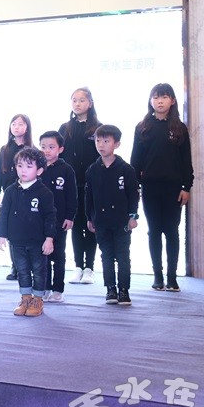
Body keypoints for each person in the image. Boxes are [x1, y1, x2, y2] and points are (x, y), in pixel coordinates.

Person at [130, 83, 193, 292]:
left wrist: (187, 187)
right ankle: (157, 276)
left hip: (174, 188)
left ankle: (172, 278)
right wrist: (135, 187)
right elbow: (135, 161)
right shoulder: (142, 127)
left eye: (164, 97)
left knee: (172, 231)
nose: (159, 101)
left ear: (172, 101)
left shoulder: (179, 128)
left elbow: (186, 161)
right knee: (154, 231)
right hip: (150, 187)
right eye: (156, 97)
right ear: (150, 101)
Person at [0, 147, 56, 317]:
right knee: (21, 270)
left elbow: (50, 217)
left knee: (38, 271)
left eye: (29, 166)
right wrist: (2, 234)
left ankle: (37, 300)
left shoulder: (44, 193)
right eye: (20, 165)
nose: (23, 170)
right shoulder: (10, 191)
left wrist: (49, 238)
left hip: (38, 241)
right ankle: (25, 298)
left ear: (39, 171)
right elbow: (4, 214)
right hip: (16, 241)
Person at [85, 125, 140, 306]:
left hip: (122, 221)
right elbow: (88, 196)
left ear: (116, 144)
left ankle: (124, 290)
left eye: (106, 141)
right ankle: (111, 289)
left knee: (123, 256)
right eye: (98, 141)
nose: (101, 145)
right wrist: (89, 217)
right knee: (106, 255)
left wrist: (133, 216)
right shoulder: (92, 170)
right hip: (101, 221)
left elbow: (133, 195)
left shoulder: (126, 169)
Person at [59, 88, 101, 285]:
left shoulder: (98, 128)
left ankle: (89, 268)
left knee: (91, 225)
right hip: (71, 186)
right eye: (74, 100)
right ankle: (77, 266)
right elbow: (59, 156)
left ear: (90, 103)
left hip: (93, 185)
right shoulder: (65, 128)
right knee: (75, 225)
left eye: (82, 100)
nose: (77, 104)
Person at [38, 131, 77, 303]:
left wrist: (70, 216)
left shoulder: (66, 170)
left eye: (51, 147)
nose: (46, 150)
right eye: (43, 147)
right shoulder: (37, 168)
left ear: (60, 149)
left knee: (59, 255)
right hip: (40, 221)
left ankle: (58, 289)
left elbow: (72, 196)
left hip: (60, 220)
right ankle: (44, 287)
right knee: (42, 255)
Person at [0, 113, 34, 281]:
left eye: (20, 124)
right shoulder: (5, 149)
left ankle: (27, 265)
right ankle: (15, 266)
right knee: (11, 230)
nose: (16, 127)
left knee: (26, 229)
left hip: (27, 192)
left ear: (27, 127)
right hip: (9, 193)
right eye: (14, 124)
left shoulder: (31, 149)